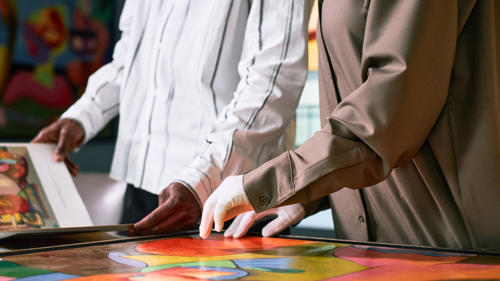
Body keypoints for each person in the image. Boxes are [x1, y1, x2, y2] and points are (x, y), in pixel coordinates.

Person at [200, 0, 500, 252]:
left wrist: (271, 184)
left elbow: (387, 117)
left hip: (448, 250)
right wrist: (307, 195)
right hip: (372, 253)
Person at [33, 0, 314, 236]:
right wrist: (81, 117)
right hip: (142, 186)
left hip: (230, 198)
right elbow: (129, 58)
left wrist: (203, 180)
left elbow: (275, 76)